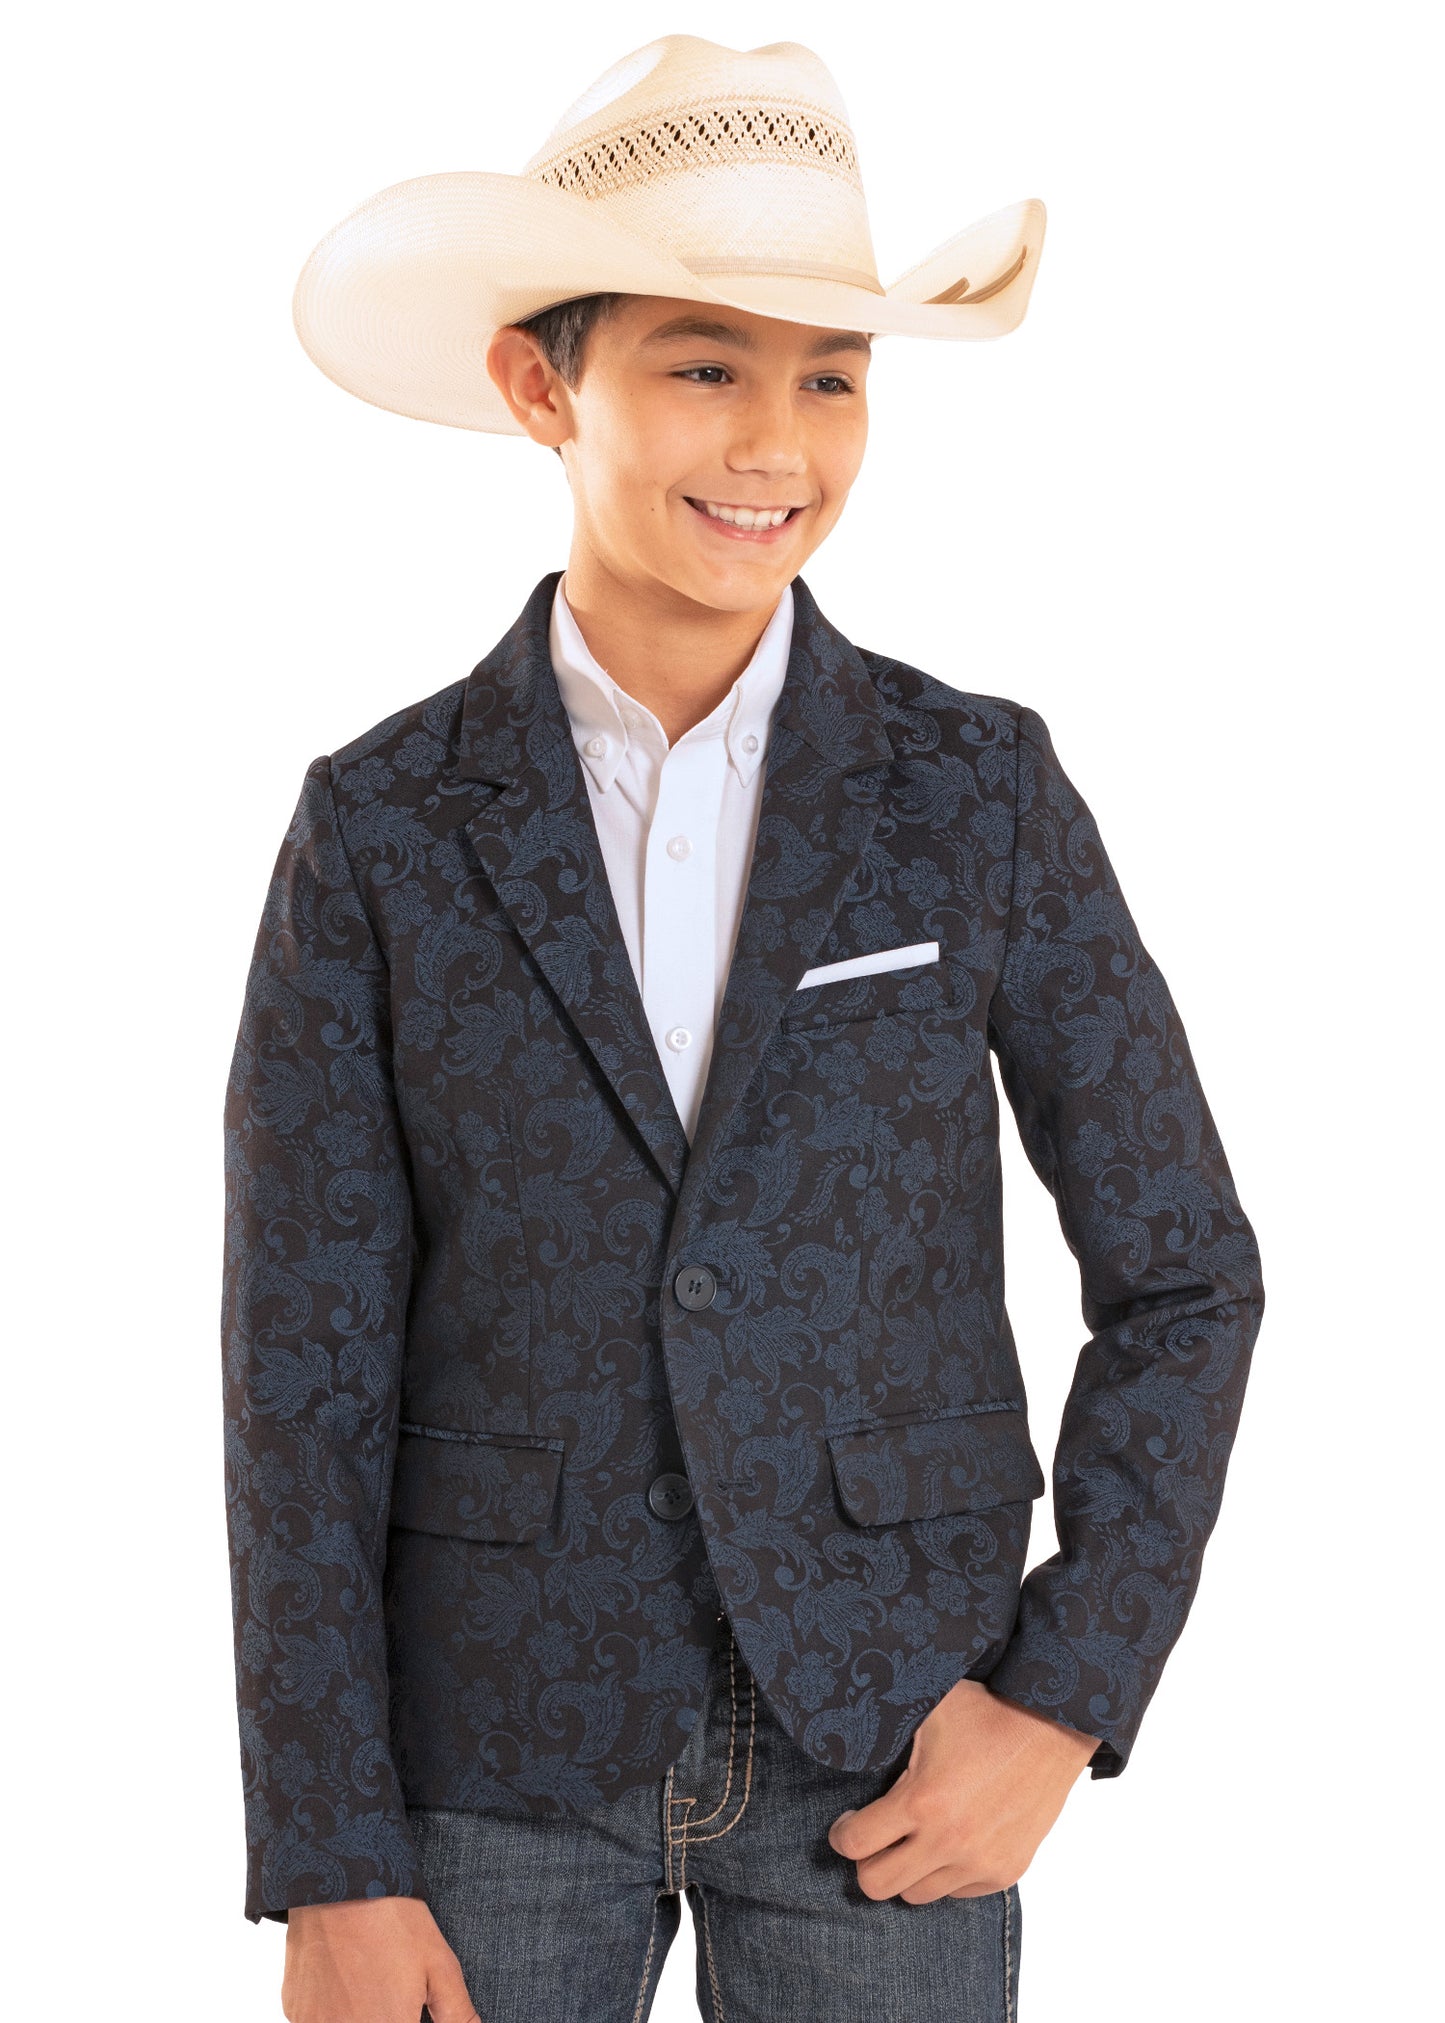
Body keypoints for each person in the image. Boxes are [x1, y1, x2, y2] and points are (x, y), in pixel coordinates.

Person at [221, 33, 1265, 2023]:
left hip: (895, 1735)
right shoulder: (380, 831)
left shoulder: (978, 793)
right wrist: (330, 1855)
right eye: (707, 362)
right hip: (497, 1756)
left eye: (833, 374)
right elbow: (304, 1372)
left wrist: (1063, 1697)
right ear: (546, 382)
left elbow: (1189, 1274)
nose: (776, 439)